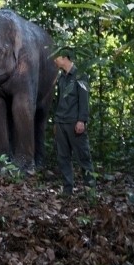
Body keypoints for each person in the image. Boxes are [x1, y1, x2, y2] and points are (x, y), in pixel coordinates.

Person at [53, 47, 94, 195]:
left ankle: (90, 190)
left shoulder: (80, 75)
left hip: (74, 122)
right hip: (61, 122)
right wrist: (56, 121)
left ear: (65, 58)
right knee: (63, 157)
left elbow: (84, 99)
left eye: (56, 57)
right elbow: (58, 101)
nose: (54, 60)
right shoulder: (61, 77)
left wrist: (81, 120)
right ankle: (67, 190)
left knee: (83, 156)